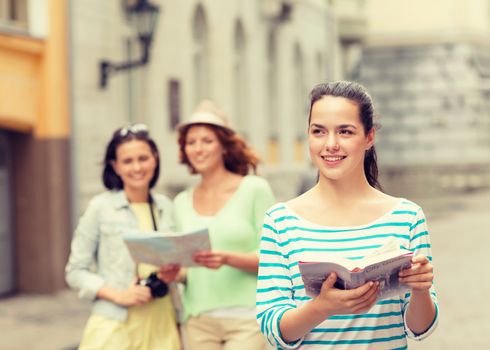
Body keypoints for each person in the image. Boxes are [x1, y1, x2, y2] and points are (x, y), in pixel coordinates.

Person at [256, 81, 438, 349]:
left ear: (369, 137)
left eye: (345, 131)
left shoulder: (407, 216)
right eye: (318, 131)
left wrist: (421, 289)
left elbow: (419, 328)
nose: (331, 144)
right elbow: (271, 328)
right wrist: (321, 308)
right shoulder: (280, 221)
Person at [169, 100, 275, 350]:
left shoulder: (254, 189)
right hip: (198, 319)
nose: (198, 149)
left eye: (207, 141)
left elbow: (274, 257)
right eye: (191, 142)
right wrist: (174, 273)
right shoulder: (181, 202)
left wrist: (228, 258)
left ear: (224, 147)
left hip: (248, 317)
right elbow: (188, 268)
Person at [65, 124, 181, 350]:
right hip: (115, 325)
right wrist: (120, 295)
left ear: (155, 159)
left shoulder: (166, 207)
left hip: (162, 323)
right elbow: (75, 272)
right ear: (115, 166)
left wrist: (172, 273)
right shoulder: (100, 208)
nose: (137, 167)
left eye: (143, 158)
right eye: (128, 161)